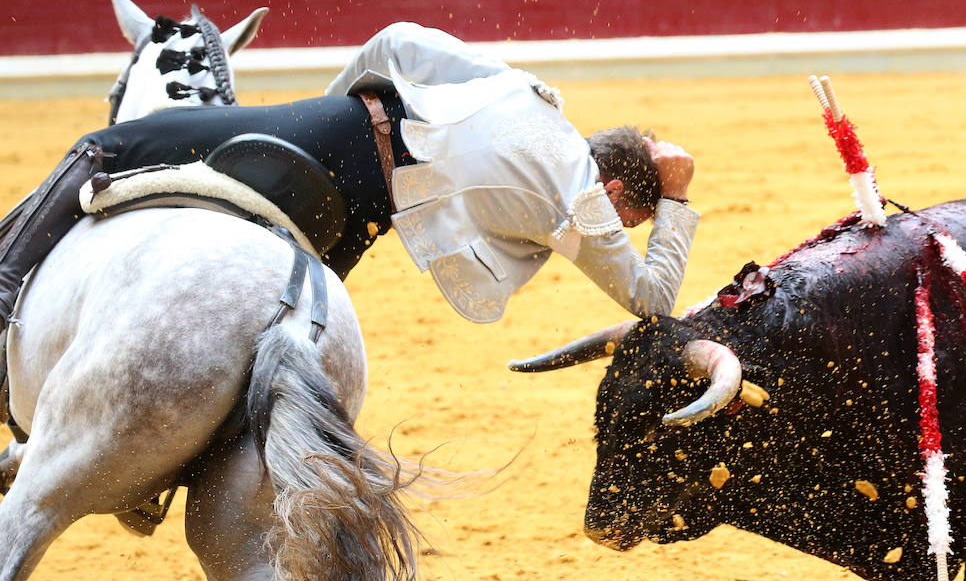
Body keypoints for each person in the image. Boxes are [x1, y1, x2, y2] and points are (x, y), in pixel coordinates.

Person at [0, 22, 699, 338]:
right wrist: (677, 197)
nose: (620, 232)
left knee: (107, 144)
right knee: (284, 339)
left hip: (339, 131)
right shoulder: (583, 205)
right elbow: (653, 298)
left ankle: (5, 289)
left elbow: (392, 41)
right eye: (630, 222)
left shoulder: (523, 90)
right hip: (361, 220)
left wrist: (304, 123)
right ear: (615, 197)